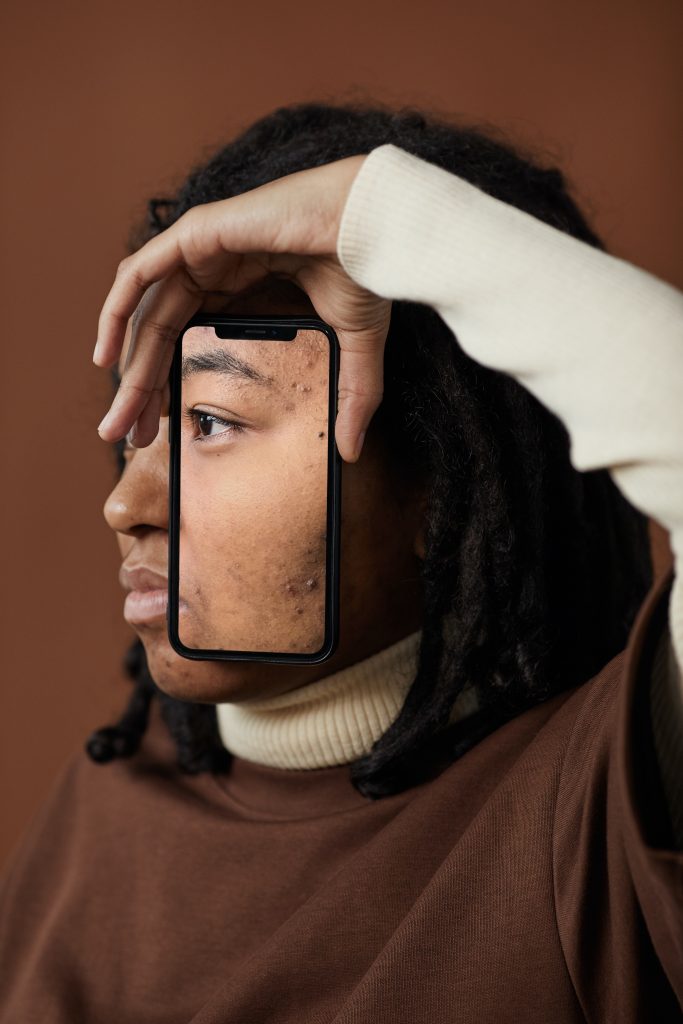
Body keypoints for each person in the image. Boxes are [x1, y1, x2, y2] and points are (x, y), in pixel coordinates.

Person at [0, 101, 681, 1022]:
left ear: (436, 496)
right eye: (141, 428)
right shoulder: (113, 798)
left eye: (210, 422)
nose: (126, 505)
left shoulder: (604, 804)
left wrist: (384, 217)